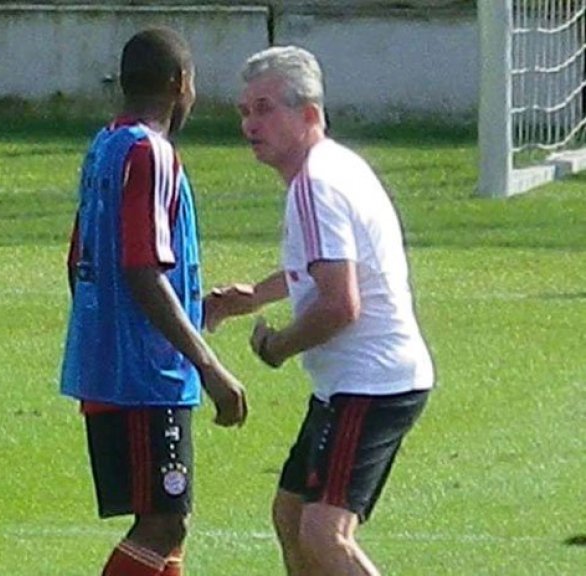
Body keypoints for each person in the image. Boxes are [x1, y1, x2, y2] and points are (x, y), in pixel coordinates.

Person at [205, 46, 434, 575]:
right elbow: (324, 267)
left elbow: (340, 304)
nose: (250, 124)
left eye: (265, 109)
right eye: (245, 111)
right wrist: (254, 297)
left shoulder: (316, 184)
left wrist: (276, 346)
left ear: (309, 113)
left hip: (371, 384)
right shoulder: (332, 168)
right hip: (355, 384)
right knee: (291, 516)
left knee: (324, 532)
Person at [60, 28, 248, 576]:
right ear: (180, 82)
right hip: (148, 379)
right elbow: (141, 269)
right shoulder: (151, 153)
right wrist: (208, 366)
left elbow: (82, 263)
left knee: (169, 521)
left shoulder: (104, 147)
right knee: (163, 523)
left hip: (112, 370)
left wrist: (198, 311)